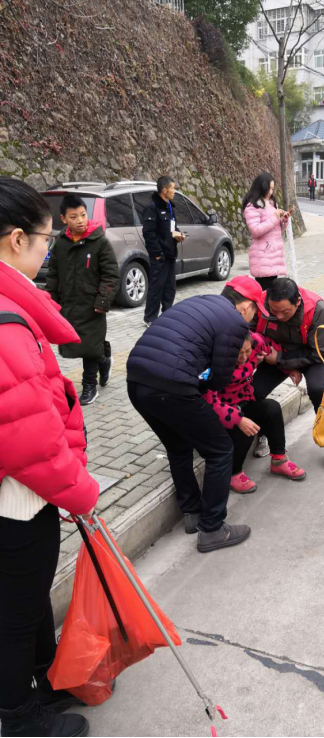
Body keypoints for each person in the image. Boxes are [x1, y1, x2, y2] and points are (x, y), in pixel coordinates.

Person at [0, 178, 99, 737]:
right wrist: (81, 493)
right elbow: (29, 439)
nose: (49, 248)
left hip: (19, 496)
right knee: (16, 612)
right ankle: (17, 715)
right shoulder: (6, 323)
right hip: (16, 502)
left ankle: (43, 678)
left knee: (30, 597)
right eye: (44, 239)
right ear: (17, 240)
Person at [127, 275, 269, 553]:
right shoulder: (234, 322)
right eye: (255, 312)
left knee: (179, 447)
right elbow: (220, 378)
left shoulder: (200, 301)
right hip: (173, 386)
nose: (252, 321)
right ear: (246, 306)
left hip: (136, 381)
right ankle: (213, 528)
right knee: (219, 450)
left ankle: (192, 513)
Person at [252, 277, 324, 473]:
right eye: (273, 311)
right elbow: (253, 333)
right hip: (275, 354)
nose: (278, 316)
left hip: (311, 355)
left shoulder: (317, 309)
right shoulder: (261, 304)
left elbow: (319, 352)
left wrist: (281, 360)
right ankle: (264, 431)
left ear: (298, 302)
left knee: (319, 388)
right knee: (253, 391)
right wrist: (260, 353)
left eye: (285, 312)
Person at [203, 332, 306, 493]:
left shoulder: (256, 342)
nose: (244, 357)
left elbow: (275, 350)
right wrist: (238, 419)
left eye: (247, 351)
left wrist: (290, 367)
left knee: (271, 408)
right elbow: (208, 401)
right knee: (245, 428)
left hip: (242, 401)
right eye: (238, 354)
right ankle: (234, 473)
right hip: (218, 413)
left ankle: (279, 460)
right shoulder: (210, 365)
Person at [46, 194, 119, 406]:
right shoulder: (60, 243)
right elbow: (53, 274)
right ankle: (104, 361)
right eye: (74, 216)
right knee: (78, 343)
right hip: (68, 303)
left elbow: (110, 274)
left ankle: (89, 386)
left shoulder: (100, 242)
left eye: (83, 215)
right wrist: (51, 302)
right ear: (64, 219)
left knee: (89, 345)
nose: (80, 220)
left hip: (93, 304)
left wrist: (103, 301)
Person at [142, 175, 186, 327]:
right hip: (159, 256)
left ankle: (167, 314)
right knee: (157, 287)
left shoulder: (169, 207)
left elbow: (172, 227)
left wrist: (178, 234)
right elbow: (149, 234)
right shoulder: (152, 208)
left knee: (170, 287)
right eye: (173, 188)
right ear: (164, 190)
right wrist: (158, 254)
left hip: (170, 253)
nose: (174, 191)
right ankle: (150, 318)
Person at [242, 172, 289, 291]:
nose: (271, 192)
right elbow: (256, 230)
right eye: (269, 189)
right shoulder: (253, 206)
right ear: (261, 187)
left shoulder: (273, 204)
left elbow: (278, 230)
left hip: (274, 256)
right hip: (263, 258)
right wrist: (275, 217)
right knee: (265, 295)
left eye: (272, 189)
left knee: (273, 295)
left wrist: (284, 220)